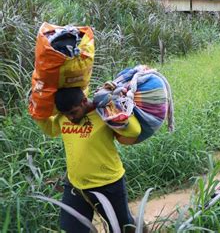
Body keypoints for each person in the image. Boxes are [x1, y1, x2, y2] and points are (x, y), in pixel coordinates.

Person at [34, 87, 141, 232]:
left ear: (84, 101)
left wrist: (116, 110)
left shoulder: (103, 113)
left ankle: (138, 224)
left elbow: (134, 131)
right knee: (72, 229)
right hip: (76, 186)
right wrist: (37, 113)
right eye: (66, 114)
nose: (70, 118)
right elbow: (51, 130)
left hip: (108, 183)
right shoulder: (63, 117)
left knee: (123, 227)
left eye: (73, 112)